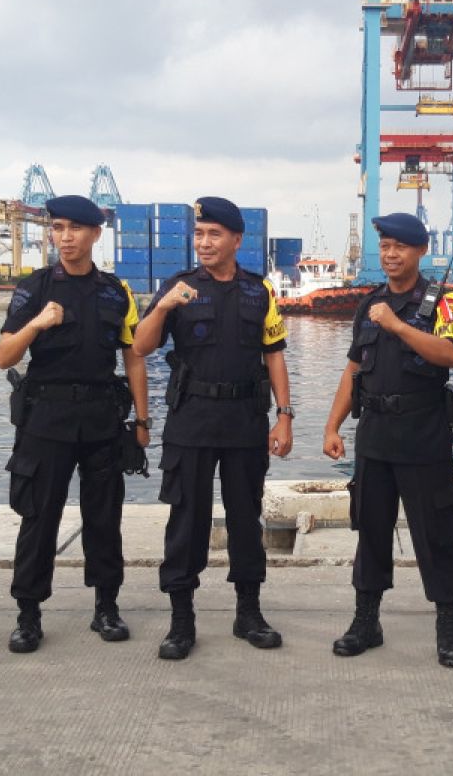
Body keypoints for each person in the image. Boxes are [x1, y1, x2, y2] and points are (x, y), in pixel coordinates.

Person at [132, 196, 293, 660]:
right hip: (192, 421)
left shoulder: (258, 291)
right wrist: (162, 308)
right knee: (187, 521)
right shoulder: (178, 286)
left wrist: (284, 414)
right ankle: (182, 621)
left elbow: (275, 354)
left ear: (236, 240)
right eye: (199, 234)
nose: (203, 242)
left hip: (244, 421)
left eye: (214, 234)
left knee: (247, 519)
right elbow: (141, 347)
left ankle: (249, 613)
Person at [0, 195, 149, 653]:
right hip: (46, 420)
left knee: (105, 518)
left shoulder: (114, 291)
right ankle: (28, 614)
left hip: (102, 418)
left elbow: (134, 357)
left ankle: (106, 607)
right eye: (57, 228)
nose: (65, 237)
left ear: (95, 234)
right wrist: (37, 324)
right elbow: (4, 355)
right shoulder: (35, 287)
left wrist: (142, 420)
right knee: (39, 519)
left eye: (75, 229)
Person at [322, 212, 453, 668]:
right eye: (385, 246)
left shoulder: (443, 302)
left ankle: (449, 630)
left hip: (423, 437)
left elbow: (452, 354)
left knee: (436, 535)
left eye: (399, 247)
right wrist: (332, 426)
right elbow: (353, 369)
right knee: (370, 532)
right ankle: (366, 622)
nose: (390, 255)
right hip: (375, 437)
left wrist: (401, 327)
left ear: (420, 250)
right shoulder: (370, 304)